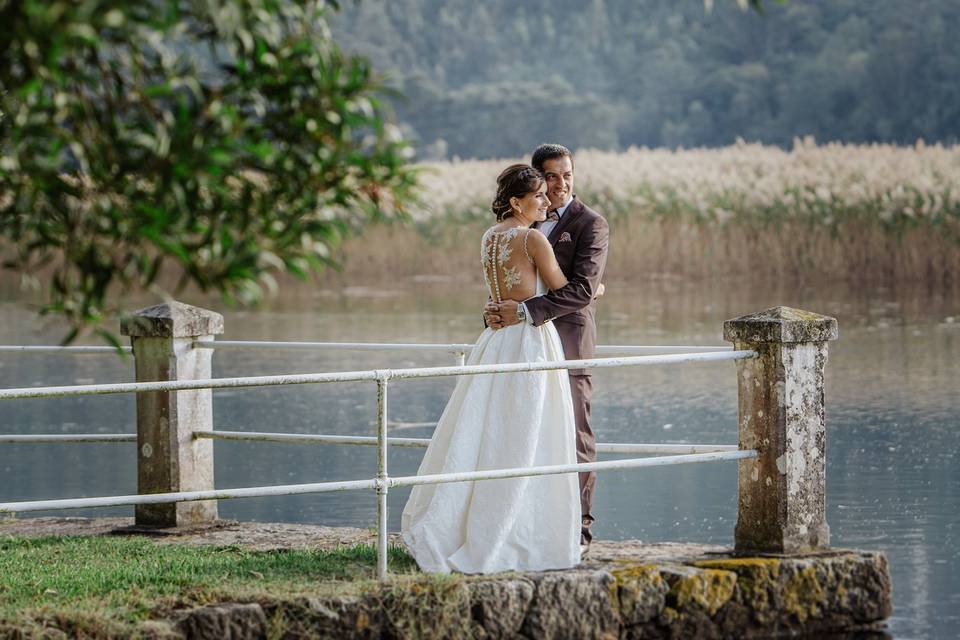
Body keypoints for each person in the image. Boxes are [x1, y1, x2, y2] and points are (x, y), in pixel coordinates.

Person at [401, 164, 581, 574]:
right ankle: (515, 532)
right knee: (528, 432)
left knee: (488, 428)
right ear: (516, 201)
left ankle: (472, 521)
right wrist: (597, 288)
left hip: (496, 340)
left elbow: (499, 289)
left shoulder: (489, 236)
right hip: (529, 341)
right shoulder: (532, 237)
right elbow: (560, 288)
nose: (545, 200)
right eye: (537, 195)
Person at [484, 144, 609, 554]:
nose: (561, 184)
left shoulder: (590, 223)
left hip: (568, 342)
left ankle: (579, 530)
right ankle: (524, 524)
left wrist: (524, 312)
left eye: (567, 174)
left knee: (574, 434)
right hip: (523, 346)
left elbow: (583, 290)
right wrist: (503, 313)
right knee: (522, 430)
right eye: (551, 176)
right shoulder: (526, 227)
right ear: (536, 179)